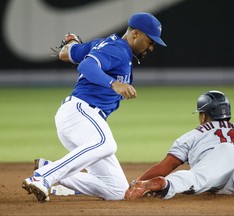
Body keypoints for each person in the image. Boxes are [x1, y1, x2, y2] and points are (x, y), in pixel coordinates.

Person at [22, 12, 167, 202]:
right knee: (105, 143)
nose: (151, 47)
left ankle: (48, 168)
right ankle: (43, 177)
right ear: (136, 33)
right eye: (150, 41)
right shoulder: (117, 49)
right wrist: (113, 84)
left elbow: (68, 53)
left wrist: (70, 44)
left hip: (83, 122)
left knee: (117, 190)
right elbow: (86, 66)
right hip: (80, 112)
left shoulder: (103, 44)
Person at [125, 90, 234, 200]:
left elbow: (166, 165)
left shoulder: (194, 134)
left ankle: (167, 184)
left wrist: (138, 182)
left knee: (195, 178)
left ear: (203, 115)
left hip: (219, 157)